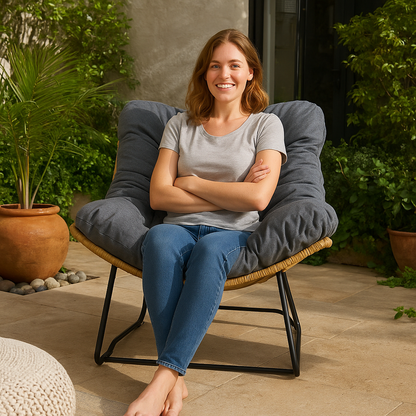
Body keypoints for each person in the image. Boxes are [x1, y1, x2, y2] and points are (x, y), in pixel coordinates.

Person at [124, 28, 286, 416]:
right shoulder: (180, 125)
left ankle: (162, 381)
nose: (223, 74)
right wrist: (231, 190)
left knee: (211, 250)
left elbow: (258, 198)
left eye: (234, 65)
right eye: (215, 66)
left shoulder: (266, 126)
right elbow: (159, 196)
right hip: (176, 225)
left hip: (233, 232)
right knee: (160, 240)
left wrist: (192, 181)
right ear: (204, 73)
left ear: (251, 73)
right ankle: (174, 381)